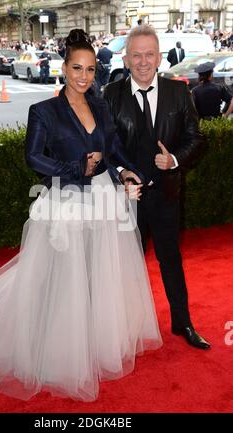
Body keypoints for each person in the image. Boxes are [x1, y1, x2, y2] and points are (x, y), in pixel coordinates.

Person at [0, 29, 162, 402]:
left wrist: (125, 171)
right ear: (64, 67)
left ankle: (93, 338)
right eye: (77, 68)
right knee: (64, 274)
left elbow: (114, 148)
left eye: (90, 69)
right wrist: (76, 169)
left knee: (98, 270)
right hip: (66, 200)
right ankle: (60, 344)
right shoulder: (44, 111)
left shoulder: (101, 105)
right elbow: (33, 157)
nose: (84, 76)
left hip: (103, 197)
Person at [103, 25, 211, 350]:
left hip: (165, 195)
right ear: (126, 58)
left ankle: (183, 323)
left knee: (171, 260)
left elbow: (197, 139)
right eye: (136, 54)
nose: (143, 61)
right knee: (124, 265)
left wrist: (174, 160)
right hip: (127, 199)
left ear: (160, 57)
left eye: (149, 54)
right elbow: (103, 145)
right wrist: (121, 173)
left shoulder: (180, 93)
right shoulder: (110, 95)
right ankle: (123, 329)